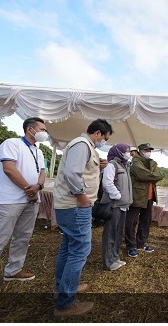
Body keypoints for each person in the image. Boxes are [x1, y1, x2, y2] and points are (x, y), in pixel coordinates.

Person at [0, 118, 48, 300]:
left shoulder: (38, 151)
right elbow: (9, 169)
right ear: (30, 129)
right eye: (42, 129)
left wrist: (37, 187)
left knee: (23, 237)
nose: (45, 132)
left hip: (31, 200)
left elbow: (42, 173)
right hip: (10, 200)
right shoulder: (11, 143)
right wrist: (28, 189)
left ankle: (14, 269)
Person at [53, 119, 113, 318]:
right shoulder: (82, 145)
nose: (103, 141)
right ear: (97, 133)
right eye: (104, 138)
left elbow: (82, 171)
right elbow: (72, 173)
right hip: (75, 205)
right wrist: (81, 196)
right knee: (80, 249)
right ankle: (66, 303)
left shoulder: (85, 146)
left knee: (68, 246)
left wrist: (99, 168)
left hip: (70, 205)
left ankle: (64, 285)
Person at [125, 143, 163, 257]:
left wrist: (150, 176)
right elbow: (143, 175)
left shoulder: (151, 162)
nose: (148, 151)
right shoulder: (135, 162)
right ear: (140, 150)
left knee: (146, 221)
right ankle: (130, 245)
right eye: (146, 150)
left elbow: (160, 175)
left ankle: (141, 243)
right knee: (131, 222)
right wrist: (152, 176)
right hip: (137, 196)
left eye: (150, 150)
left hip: (150, 196)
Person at [101, 143, 133, 271]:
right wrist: (118, 196)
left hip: (123, 206)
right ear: (119, 152)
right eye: (126, 151)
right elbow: (107, 183)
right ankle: (108, 262)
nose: (128, 153)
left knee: (118, 233)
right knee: (110, 234)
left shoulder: (125, 166)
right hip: (114, 205)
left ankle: (115, 257)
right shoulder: (112, 165)